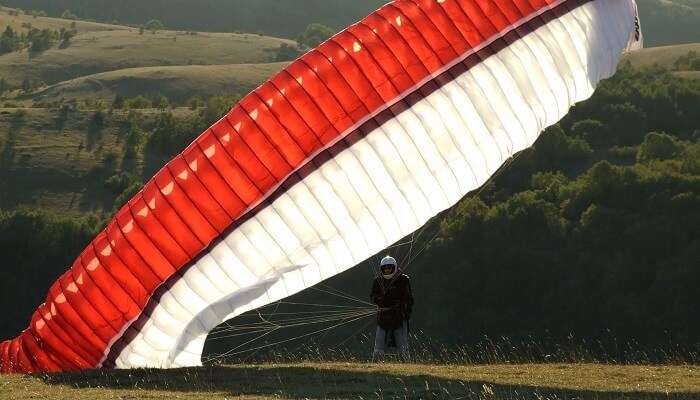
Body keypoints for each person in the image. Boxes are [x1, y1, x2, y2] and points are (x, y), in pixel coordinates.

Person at [370, 255, 413, 361]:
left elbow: (409, 299)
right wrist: (380, 300)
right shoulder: (378, 281)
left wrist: (403, 310)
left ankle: (405, 364)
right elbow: (373, 296)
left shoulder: (403, 280)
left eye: (389, 267)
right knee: (379, 342)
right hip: (383, 317)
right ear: (382, 269)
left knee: (401, 343)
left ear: (394, 267)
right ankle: (376, 364)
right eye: (385, 268)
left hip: (399, 316)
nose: (387, 270)